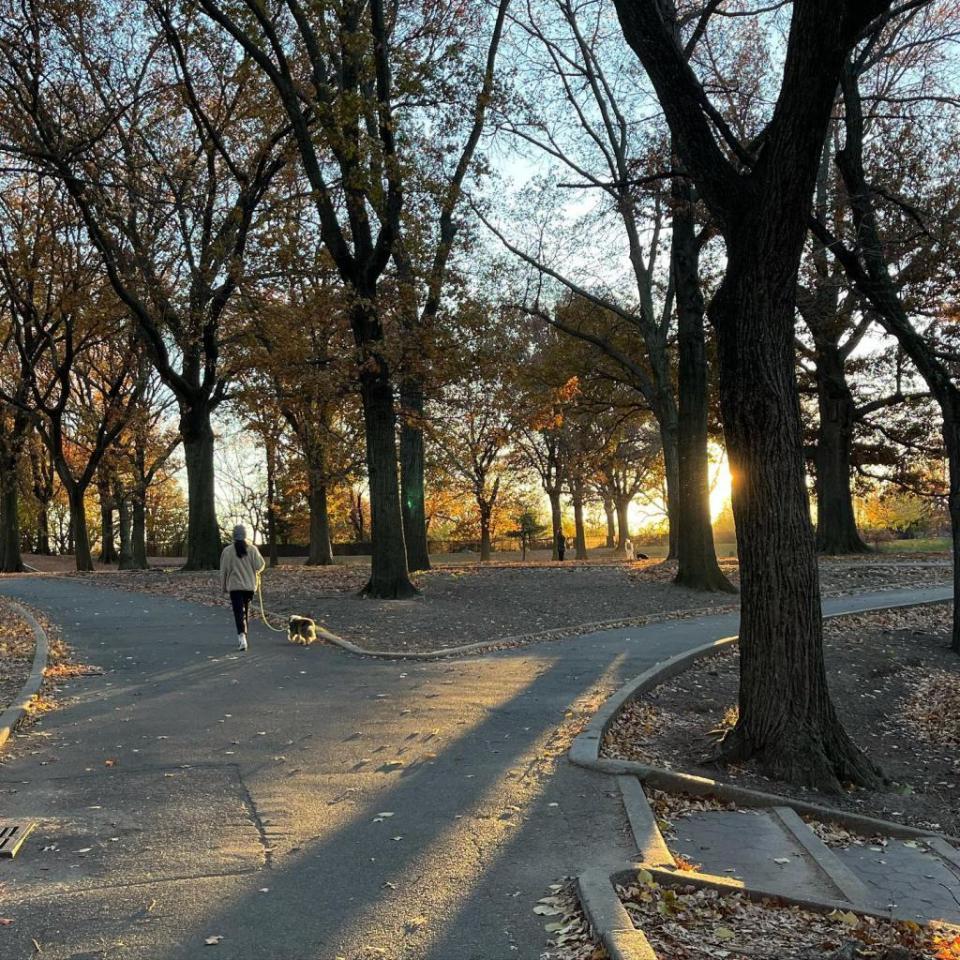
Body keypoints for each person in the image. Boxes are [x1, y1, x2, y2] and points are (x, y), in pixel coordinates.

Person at [219, 524, 266, 651]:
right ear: (245, 535)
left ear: (234, 536)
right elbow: (260, 565)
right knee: (246, 610)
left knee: (238, 612)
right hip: (249, 586)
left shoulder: (227, 551)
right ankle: (245, 635)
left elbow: (223, 571)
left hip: (234, 587)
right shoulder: (252, 549)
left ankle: (242, 636)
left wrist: (223, 587)